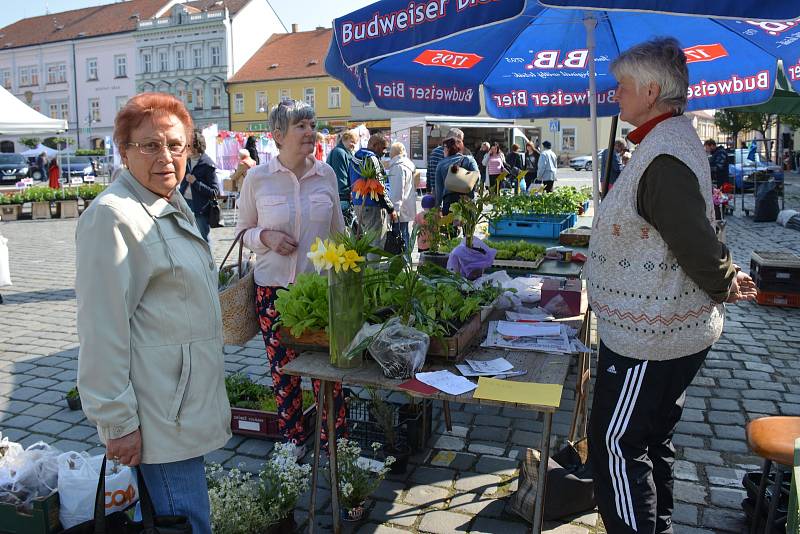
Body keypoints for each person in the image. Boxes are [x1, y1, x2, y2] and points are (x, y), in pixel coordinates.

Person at [585, 38, 757, 534]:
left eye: (623, 86)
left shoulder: (664, 156)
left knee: (616, 446)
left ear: (652, 90)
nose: (616, 94)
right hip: (662, 332)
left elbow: (694, 240)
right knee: (651, 438)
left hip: (650, 339)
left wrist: (724, 278)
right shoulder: (666, 143)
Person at [75, 92, 231, 534]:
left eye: (175, 145)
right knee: (185, 525)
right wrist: (118, 423)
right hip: (158, 418)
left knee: (170, 522)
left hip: (178, 407)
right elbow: (101, 330)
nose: (166, 156)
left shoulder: (169, 201)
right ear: (124, 151)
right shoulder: (113, 217)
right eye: (150, 145)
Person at [235, 99, 347, 454]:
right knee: (284, 372)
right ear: (277, 135)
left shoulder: (326, 174)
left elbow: (339, 232)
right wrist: (265, 237)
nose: (310, 132)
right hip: (274, 292)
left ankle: (335, 443)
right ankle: (293, 441)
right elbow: (242, 232)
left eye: (312, 124)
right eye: (301, 125)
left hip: (320, 291)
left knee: (329, 371)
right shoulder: (257, 179)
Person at [350, 133, 396, 249]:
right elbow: (380, 187)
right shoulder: (372, 159)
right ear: (375, 145)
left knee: (364, 241)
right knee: (376, 243)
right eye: (383, 147)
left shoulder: (355, 157)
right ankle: (374, 267)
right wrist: (390, 208)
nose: (384, 151)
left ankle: (366, 266)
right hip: (373, 205)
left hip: (358, 203)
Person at [179, 130, 219, 243]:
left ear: (196, 147)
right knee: (187, 239)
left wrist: (195, 182)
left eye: (188, 146)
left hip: (201, 208)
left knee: (203, 240)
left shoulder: (207, 164)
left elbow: (214, 192)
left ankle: (208, 261)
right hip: (185, 204)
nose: (186, 148)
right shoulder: (185, 161)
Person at [436, 136, 479, 214]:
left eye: (444, 148)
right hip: (467, 200)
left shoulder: (441, 164)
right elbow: (477, 177)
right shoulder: (469, 159)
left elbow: (439, 188)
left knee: (450, 225)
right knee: (467, 225)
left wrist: (438, 206)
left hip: (449, 202)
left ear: (447, 149)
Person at [387, 142, 417, 248]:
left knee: (399, 238)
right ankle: (406, 260)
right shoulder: (406, 165)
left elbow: (397, 190)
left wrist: (395, 209)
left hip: (400, 209)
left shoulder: (398, 167)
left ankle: (402, 262)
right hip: (406, 206)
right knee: (404, 235)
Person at [326, 130, 357, 227]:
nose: (354, 145)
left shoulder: (345, 152)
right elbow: (340, 177)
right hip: (341, 198)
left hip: (343, 197)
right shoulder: (339, 152)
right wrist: (347, 192)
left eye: (355, 142)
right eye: (352, 141)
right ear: (345, 139)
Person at [427, 128, 464, 195]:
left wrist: (428, 189)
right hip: (448, 191)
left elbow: (429, 171)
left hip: (435, 189)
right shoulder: (452, 155)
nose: (461, 143)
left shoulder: (434, 151)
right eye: (460, 140)